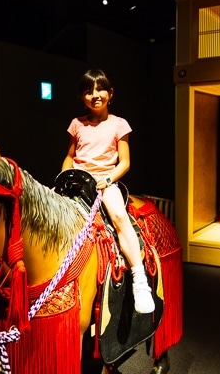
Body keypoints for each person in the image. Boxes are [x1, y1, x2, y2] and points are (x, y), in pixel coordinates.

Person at [61, 68, 155, 314]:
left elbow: (124, 162)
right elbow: (70, 157)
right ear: (82, 97)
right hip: (77, 181)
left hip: (105, 181)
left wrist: (108, 178)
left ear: (110, 93)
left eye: (100, 89)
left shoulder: (119, 124)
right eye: (88, 91)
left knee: (119, 216)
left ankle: (140, 279)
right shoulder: (76, 124)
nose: (95, 95)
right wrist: (63, 178)